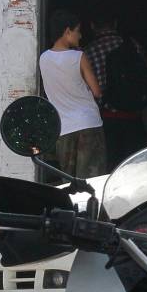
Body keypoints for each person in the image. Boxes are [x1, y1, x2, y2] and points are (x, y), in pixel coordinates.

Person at [39, 9, 105, 178]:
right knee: (91, 181)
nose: (80, 35)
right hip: (88, 124)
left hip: (64, 128)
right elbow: (97, 91)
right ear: (67, 31)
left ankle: (69, 206)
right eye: (78, 31)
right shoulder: (79, 57)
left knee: (68, 181)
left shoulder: (43, 59)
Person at [85, 12, 147, 170]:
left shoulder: (88, 51)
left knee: (111, 169)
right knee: (135, 167)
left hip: (108, 121)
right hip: (135, 118)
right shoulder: (132, 44)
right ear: (115, 23)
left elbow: (92, 91)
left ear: (92, 26)